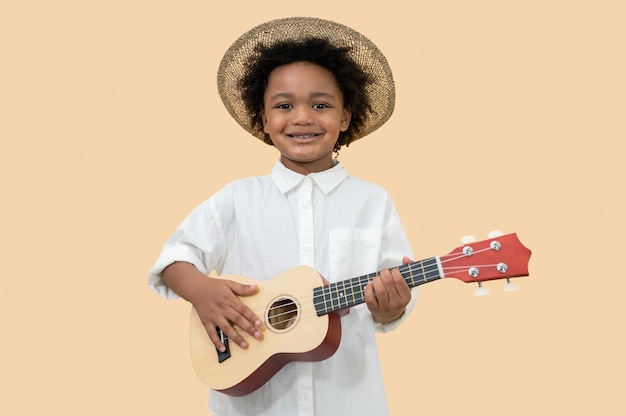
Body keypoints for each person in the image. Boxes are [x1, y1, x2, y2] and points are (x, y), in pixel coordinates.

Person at [148, 16, 417, 416]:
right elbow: (174, 258)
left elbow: (392, 300)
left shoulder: (374, 202)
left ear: (344, 118)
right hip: (254, 404)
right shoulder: (237, 197)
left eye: (321, 105)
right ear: (264, 118)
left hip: (348, 399)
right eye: (284, 105)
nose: (302, 117)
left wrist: (390, 306)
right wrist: (202, 292)